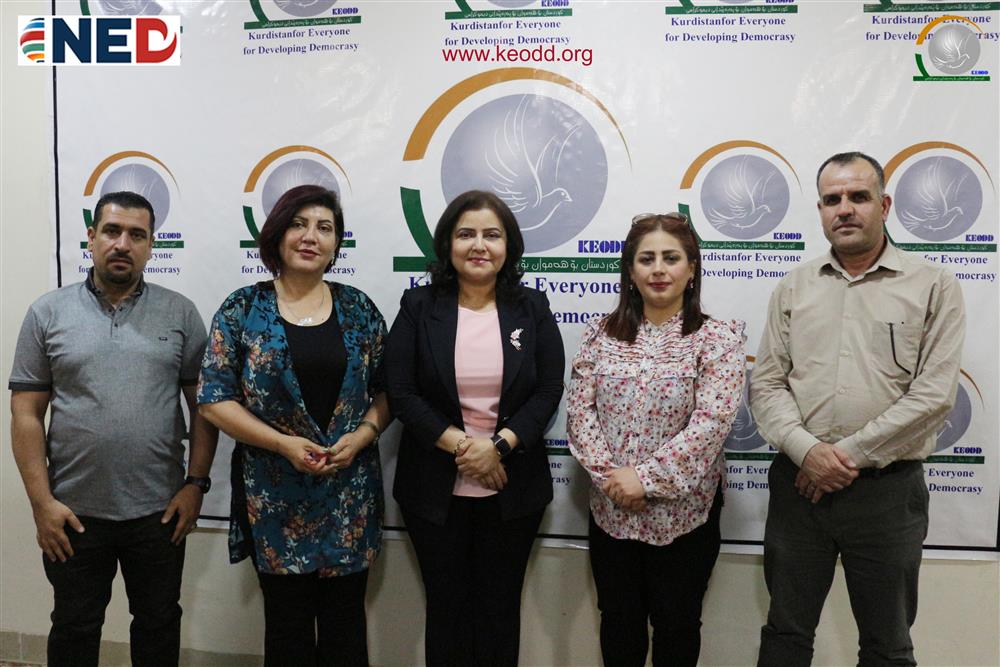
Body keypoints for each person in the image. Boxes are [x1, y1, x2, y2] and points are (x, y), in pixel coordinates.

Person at [750, 152, 966, 667]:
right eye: (832, 199)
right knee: (785, 635)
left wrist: (840, 457)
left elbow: (934, 396)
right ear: (821, 210)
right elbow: (767, 384)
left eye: (858, 196)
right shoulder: (794, 287)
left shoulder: (934, 285)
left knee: (887, 645)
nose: (844, 209)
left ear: (884, 205)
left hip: (887, 495)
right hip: (800, 490)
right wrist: (808, 452)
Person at [8, 191, 219, 667]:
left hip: (160, 512)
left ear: (151, 245)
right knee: (75, 628)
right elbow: (26, 414)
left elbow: (204, 408)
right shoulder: (47, 312)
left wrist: (196, 485)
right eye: (112, 231)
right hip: (73, 514)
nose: (123, 244)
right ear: (91, 237)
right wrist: (42, 504)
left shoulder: (181, 313)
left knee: (158, 624)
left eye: (137, 235)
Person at [197, 185, 389, 667]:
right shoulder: (242, 309)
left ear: (336, 243)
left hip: (349, 496)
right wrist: (282, 443)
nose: (310, 237)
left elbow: (389, 392)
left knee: (346, 631)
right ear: (277, 235)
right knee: (287, 633)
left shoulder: (358, 309)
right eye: (298, 224)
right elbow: (214, 399)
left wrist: (364, 435)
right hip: (275, 498)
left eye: (325, 227)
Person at [385, 190, 565, 667]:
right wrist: (467, 447)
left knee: (499, 611)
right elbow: (400, 390)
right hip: (433, 489)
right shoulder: (419, 305)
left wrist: (498, 447)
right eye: (466, 234)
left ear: (509, 246)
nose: (479, 245)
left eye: (492, 235)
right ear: (448, 244)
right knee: (446, 610)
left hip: (513, 487)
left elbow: (549, 390)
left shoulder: (531, 307)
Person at [566, 213, 745, 667]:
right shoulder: (599, 335)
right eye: (646, 259)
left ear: (691, 269)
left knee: (677, 627)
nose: (659, 269)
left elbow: (712, 422)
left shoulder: (717, 339)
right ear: (630, 271)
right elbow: (580, 412)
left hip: (685, 519)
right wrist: (613, 480)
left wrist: (645, 479)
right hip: (611, 513)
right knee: (618, 624)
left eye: (671, 258)